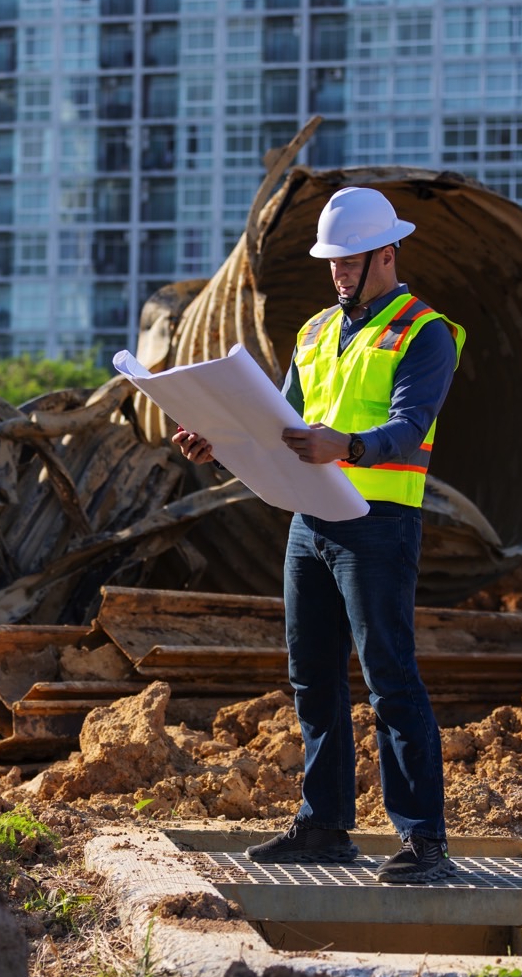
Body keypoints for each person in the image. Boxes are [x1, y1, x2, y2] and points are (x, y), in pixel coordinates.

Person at [171, 186, 465, 884]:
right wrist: (219, 443)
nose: (336, 272)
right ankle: (325, 824)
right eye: (331, 261)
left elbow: (409, 425)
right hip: (310, 522)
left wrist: (348, 447)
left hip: (378, 525)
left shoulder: (425, 332)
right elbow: (280, 422)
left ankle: (425, 841)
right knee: (314, 679)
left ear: (386, 255)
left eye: (349, 260)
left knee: (390, 679)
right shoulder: (312, 333)